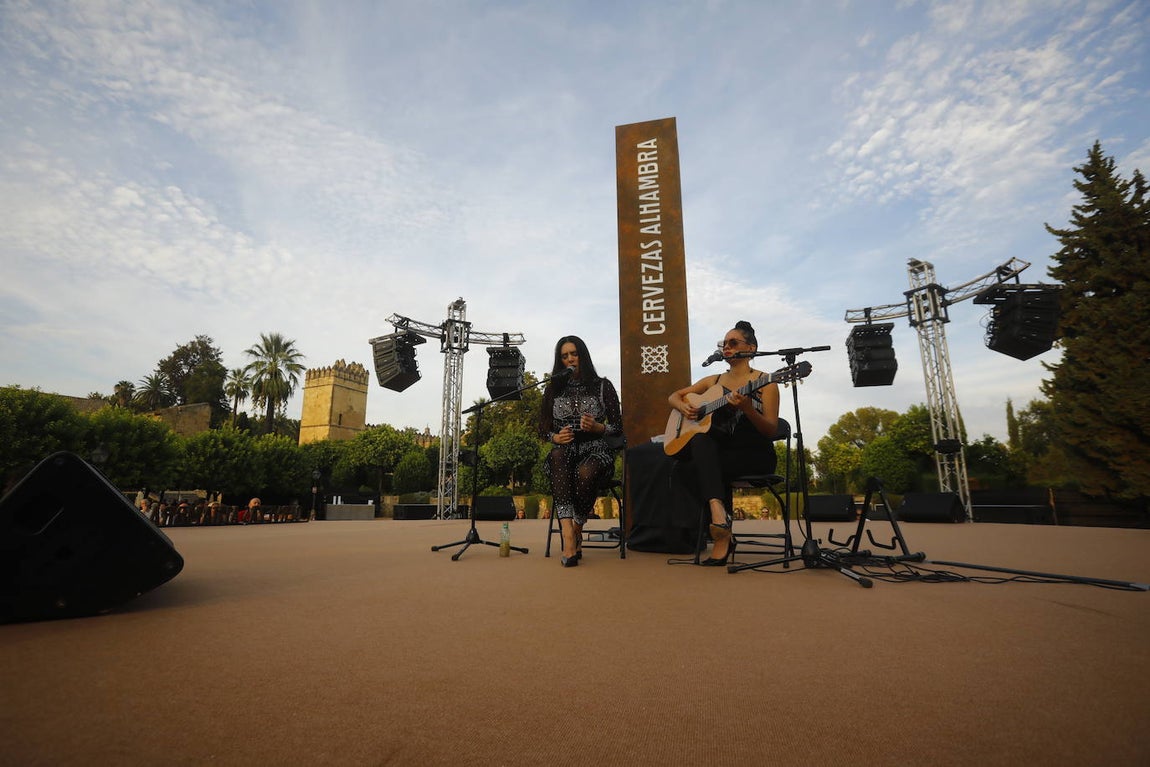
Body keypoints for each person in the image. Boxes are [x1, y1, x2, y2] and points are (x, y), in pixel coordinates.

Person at [667, 320, 780, 566]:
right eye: (724, 343)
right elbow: (674, 396)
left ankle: (719, 531)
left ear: (750, 349)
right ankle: (719, 518)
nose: (726, 347)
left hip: (754, 453)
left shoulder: (766, 382)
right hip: (719, 453)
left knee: (692, 464)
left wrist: (749, 409)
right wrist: (684, 407)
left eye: (733, 343)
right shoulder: (713, 381)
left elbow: (771, 429)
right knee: (696, 448)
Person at [539, 336, 622, 567]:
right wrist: (554, 437)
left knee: (586, 472)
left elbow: (618, 427)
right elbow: (542, 428)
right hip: (564, 452)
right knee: (557, 455)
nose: (569, 359)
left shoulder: (602, 385)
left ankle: (577, 526)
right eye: (564, 356)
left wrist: (599, 427)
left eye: (573, 354)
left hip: (597, 450)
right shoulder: (552, 390)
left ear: (582, 355)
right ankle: (567, 535)